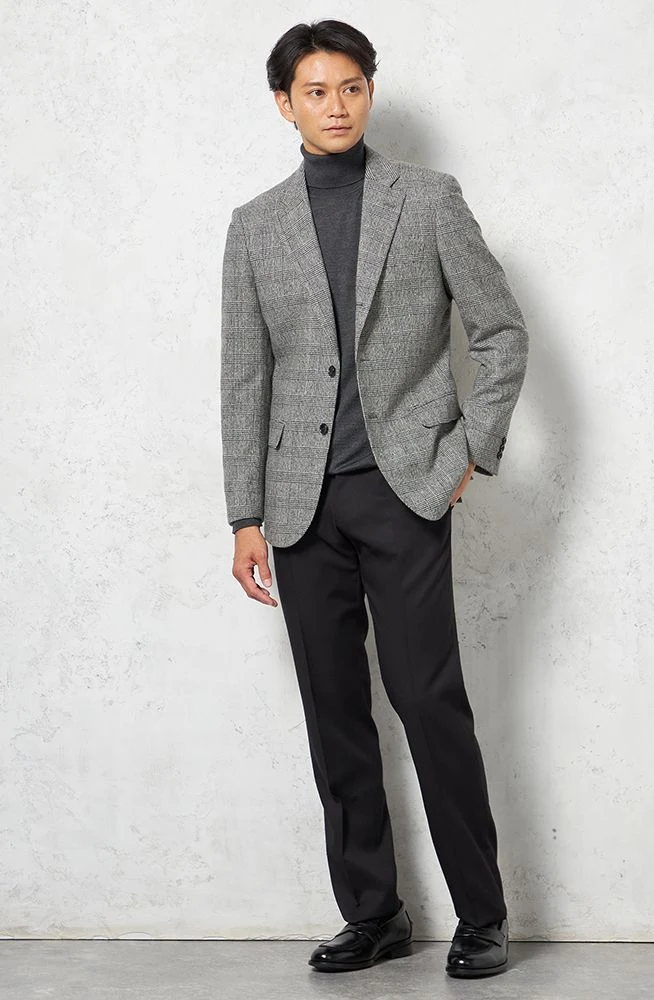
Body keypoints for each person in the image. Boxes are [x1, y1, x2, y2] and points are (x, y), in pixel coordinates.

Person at [220, 18, 529, 980]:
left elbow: (499, 330)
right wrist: (244, 516)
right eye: (316, 91)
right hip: (299, 506)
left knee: (429, 701)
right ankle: (374, 913)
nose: (337, 105)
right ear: (285, 104)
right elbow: (245, 378)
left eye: (351, 87)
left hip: (405, 491)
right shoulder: (255, 225)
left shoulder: (427, 200)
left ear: (369, 93)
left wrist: (471, 449)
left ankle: (482, 915)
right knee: (334, 711)